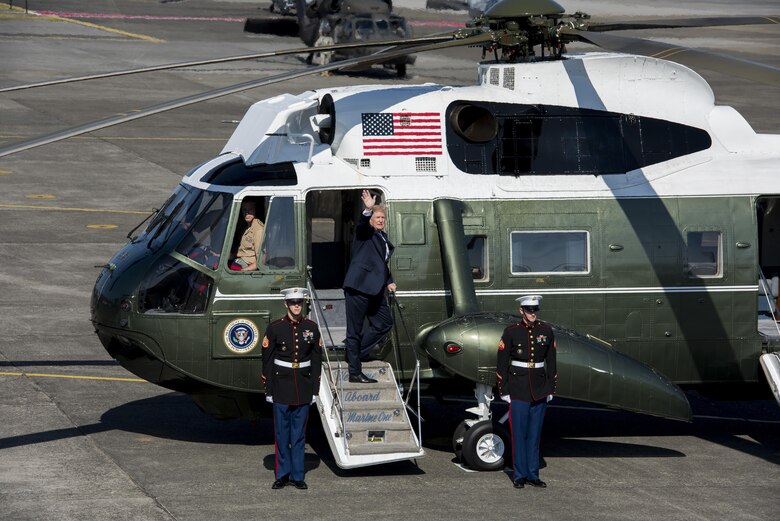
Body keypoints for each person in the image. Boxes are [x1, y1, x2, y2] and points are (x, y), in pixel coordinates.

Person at [262, 287, 322, 490]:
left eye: (299, 302)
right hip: (281, 386)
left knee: (299, 435)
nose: (296, 306)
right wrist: (268, 389)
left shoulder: (312, 327)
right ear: (285, 304)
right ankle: (282, 474)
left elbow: (316, 359)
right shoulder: (275, 328)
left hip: (303, 386)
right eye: (292, 302)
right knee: (281, 434)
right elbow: (267, 361)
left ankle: (297, 475)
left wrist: (315, 388)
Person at [496, 294, 557, 489]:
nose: (532, 313)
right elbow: (502, 362)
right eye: (529, 310)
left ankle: (533, 474)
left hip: (539, 388)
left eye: (535, 310)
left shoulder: (546, 331)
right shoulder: (511, 332)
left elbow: (552, 362)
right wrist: (503, 389)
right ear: (521, 311)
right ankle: (519, 475)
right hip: (518, 388)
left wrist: (550, 388)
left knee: (534, 435)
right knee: (519, 434)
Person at [342, 190, 396, 383]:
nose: (380, 220)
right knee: (354, 331)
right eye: (377, 217)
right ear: (371, 220)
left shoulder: (383, 237)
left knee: (384, 323)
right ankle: (355, 372)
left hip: (375, 289)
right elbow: (361, 226)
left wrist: (389, 281)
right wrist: (367, 209)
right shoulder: (366, 234)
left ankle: (355, 352)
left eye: (382, 217)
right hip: (358, 288)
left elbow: (380, 263)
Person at [232, 200, 264, 271]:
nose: (247, 212)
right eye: (244, 209)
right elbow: (242, 250)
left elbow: (262, 259)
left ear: (255, 210)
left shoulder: (258, 230)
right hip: (239, 260)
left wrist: (245, 270)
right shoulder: (245, 226)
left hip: (246, 266)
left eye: (250, 209)